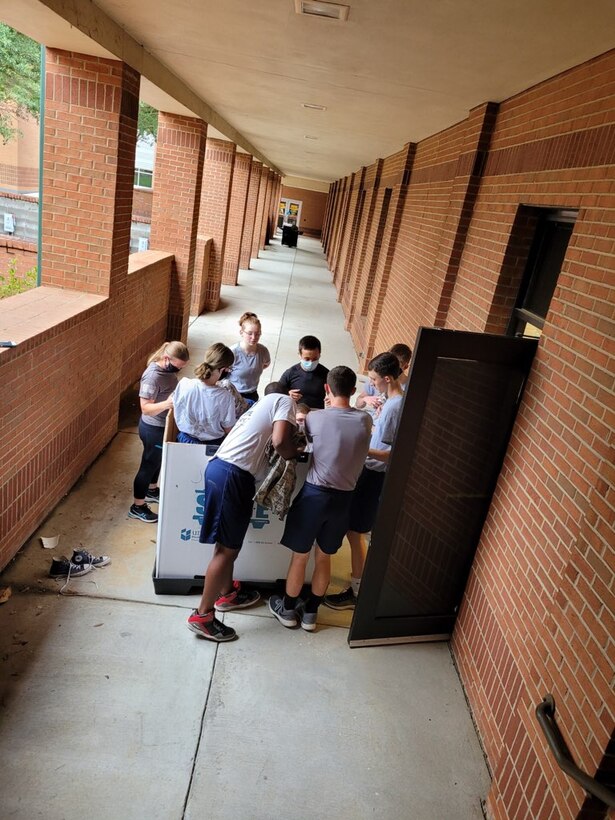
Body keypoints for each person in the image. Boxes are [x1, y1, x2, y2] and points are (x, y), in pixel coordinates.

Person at [186, 387, 302, 642]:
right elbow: (281, 441)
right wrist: (295, 454)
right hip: (232, 475)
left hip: (224, 470)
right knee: (225, 550)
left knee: (228, 545)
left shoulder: (261, 407)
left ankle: (227, 593)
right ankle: (202, 616)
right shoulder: (284, 401)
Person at [269, 366, 372, 632]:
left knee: (300, 557)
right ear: (353, 390)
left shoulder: (316, 419)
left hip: (314, 496)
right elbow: (353, 418)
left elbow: (304, 439)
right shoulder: (364, 421)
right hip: (344, 500)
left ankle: (289, 609)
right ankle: (311, 614)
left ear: (327, 388)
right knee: (324, 557)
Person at [324, 352, 404, 610]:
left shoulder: (395, 406)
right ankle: (358, 585)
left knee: (356, 531)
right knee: (354, 531)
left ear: (387, 378)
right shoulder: (388, 403)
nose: (371, 383)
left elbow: (393, 455)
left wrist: (361, 447)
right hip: (368, 472)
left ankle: (358, 590)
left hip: (374, 476)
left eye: (373, 379)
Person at [129, 341, 190, 523]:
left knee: (158, 461)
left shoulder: (167, 371)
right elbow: (145, 408)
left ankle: (152, 489)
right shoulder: (152, 377)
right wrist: (168, 403)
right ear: (166, 359)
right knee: (149, 464)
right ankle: (137, 506)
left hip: (163, 425)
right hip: (152, 427)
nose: (177, 370)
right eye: (177, 366)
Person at [172, 343, 236, 445]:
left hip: (185, 440)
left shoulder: (184, 384)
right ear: (223, 369)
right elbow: (228, 428)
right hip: (211, 445)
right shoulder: (225, 397)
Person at [355, 343, 412, 410]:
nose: (388, 366)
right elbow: (358, 403)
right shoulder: (376, 378)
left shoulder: (408, 389)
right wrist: (365, 399)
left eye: (395, 364)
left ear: (405, 367)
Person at [228, 312, 271, 402]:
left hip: (252, 393)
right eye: (250, 333)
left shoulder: (263, 351)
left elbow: (266, 364)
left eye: (257, 334)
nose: (254, 337)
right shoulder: (233, 352)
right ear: (241, 332)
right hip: (233, 394)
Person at [278, 335, 329, 408]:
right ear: (299, 355)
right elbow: (277, 393)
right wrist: (288, 394)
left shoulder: (326, 374)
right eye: (307, 359)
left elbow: (336, 395)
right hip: (295, 413)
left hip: (316, 414)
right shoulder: (290, 373)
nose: (311, 362)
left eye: (315, 359)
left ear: (319, 355)